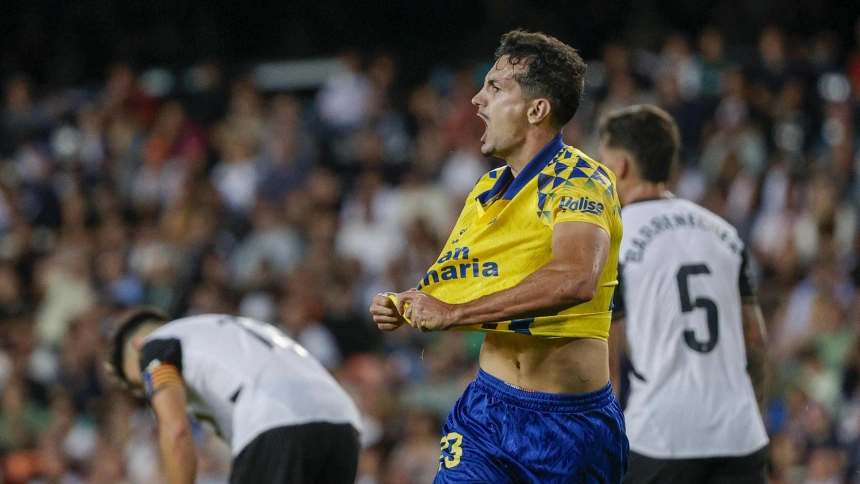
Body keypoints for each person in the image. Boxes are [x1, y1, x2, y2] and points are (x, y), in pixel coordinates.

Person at [370, 29, 628, 483]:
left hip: (570, 428)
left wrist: (454, 313)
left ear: (537, 109)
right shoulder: (486, 190)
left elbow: (575, 279)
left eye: (494, 87)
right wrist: (408, 302)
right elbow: (462, 280)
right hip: (486, 414)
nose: (476, 99)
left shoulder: (581, 181)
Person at [599, 105, 769, 483]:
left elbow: (606, 369)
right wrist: (750, 415)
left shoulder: (615, 238)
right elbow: (756, 340)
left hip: (662, 437)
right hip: (740, 435)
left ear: (621, 166)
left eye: (603, 162)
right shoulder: (723, 232)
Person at [106, 307, 362, 484]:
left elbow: (177, 432)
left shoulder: (155, 346)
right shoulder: (225, 330)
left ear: (136, 346)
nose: (149, 392)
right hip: (343, 421)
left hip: (276, 417)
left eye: (141, 384)